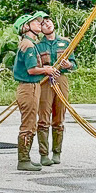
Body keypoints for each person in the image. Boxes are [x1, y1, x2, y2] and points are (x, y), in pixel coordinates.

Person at [12, 13, 61, 171]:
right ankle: (23, 160)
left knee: (31, 123)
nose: (39, 24)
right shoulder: (29, 45)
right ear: (26, 27)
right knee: (28, 124)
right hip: (28, 87)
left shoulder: (29, 43)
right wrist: (46, 69)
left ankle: (26, 158)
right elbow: (32, 69)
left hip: (32, 87)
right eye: (35, 22)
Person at [35, 13, 75, 166]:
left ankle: (57, 152)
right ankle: (44, 154)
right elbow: (34, 66)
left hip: (61, 79)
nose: (48, 24)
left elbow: (74, 63)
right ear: (40, 29)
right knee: (43, 119)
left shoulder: (65, 42)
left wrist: (69, 65)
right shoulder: (38, 45)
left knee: (59, 118)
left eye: (49, 21)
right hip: (45, 81)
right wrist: (45, 69)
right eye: (43, 24)